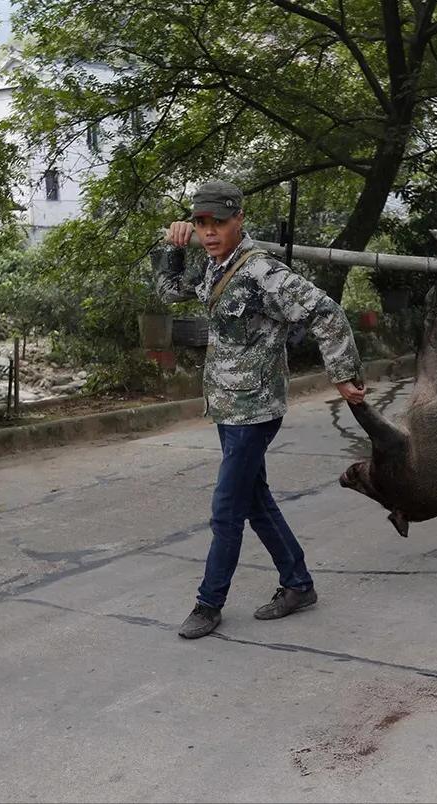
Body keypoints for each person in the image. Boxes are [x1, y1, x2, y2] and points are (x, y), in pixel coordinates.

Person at [155, 179, 366, 639]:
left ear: (239, 221)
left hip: (256, 410)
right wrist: (171, 248)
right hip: (228, 405)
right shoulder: (215, 267)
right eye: (201, 224)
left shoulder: (261, 272)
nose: (209, 233)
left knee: (226, 507)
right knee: (255, 500)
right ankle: (298, 584)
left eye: (219, 223)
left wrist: (342, 373)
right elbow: (170, 294)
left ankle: (209, 604)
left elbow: (325, 312)